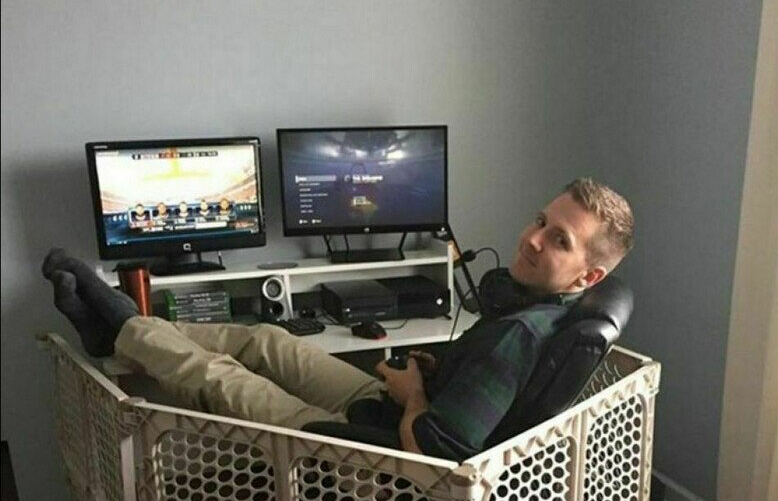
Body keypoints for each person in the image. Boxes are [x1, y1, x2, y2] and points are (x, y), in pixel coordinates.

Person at [41, 177, 633, 462]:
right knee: (267, 339)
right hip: (390, 405)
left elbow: (436, 453)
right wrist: (427, 374)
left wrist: (414, 393)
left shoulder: (519, 335)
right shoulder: (529, 308)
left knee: (219, 377)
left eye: (559, 240)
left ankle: (117, 323)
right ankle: (117, 334)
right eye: (540, 220)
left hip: (377, 454)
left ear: (588, 278)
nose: (532, 239)